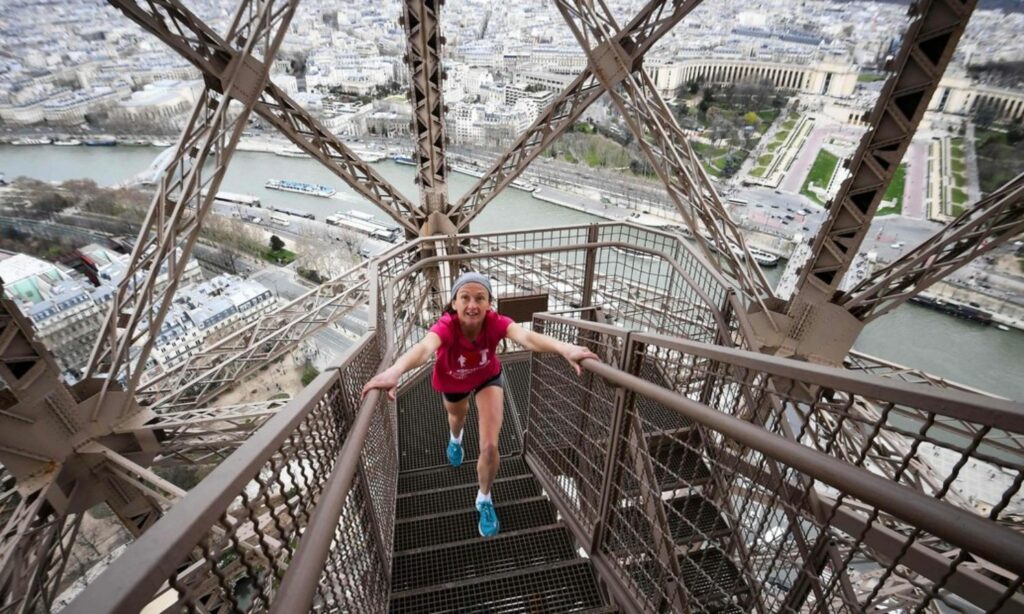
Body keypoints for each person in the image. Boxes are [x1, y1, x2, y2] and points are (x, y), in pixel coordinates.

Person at [361, 272, 599, 537]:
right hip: (453, 380)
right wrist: (396, 370)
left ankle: (484, 498)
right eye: (465, 298)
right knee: (457, 419)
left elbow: (527, 337)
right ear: (454, 303)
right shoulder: (446, 326)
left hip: (487, 378)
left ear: (489, 304)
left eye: (480, 298)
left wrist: (565, 349)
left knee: (489, 446)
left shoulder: (495, 323)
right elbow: (425, 348)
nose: (472, 305)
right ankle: (456, 438)